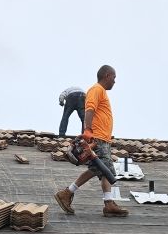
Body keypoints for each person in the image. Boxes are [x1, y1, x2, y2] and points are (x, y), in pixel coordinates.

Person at [54, 65, 129, 218]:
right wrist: (88, 130)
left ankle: (108, 204)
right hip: (98, 138)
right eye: (114, 78)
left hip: (103, 139)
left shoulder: (101, 91)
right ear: (107, 75)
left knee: (101, 170)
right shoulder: (96, 89)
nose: (115, 82)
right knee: (103, 169)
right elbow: (89, 109)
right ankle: (67, 193)